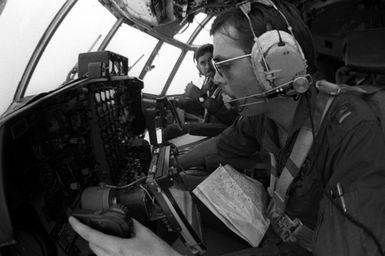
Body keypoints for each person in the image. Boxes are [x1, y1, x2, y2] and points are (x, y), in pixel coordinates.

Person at [69, 1, 385, 255]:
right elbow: (223, 144)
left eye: (224, 66)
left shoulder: (356, 131)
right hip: (275, 229)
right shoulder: (261, 116)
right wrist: (166, 165)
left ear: (275, 66)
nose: (216, 78)